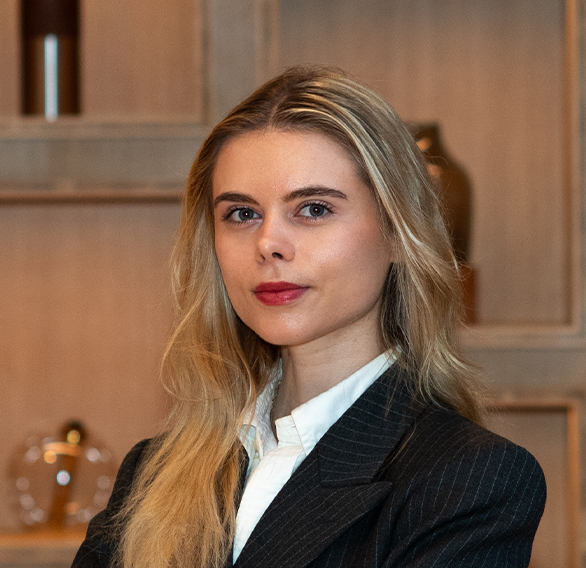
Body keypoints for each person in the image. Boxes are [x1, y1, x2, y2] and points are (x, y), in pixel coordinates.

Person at [72, 66, 546, 568]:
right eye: (242, 214)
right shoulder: (151, 472)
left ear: (399, 232)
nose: (268, 244)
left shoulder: (469, 480)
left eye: (314, 209)